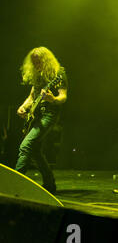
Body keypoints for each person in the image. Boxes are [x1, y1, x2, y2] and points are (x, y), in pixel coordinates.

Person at [16, 47, 68, 194]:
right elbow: (32, 97)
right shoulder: (37, 74)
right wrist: (23, 107)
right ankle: (50, 184)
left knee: (25, 147)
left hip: (49, 115)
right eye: (34, 62)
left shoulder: (59, 73)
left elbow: (63, 96)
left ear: (45, 60)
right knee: (35, 152)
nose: (36, 65)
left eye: (38, 62)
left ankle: (14, 181)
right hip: (36, 116)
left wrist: (53, 99)